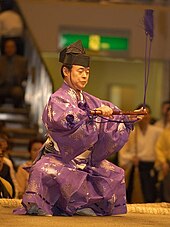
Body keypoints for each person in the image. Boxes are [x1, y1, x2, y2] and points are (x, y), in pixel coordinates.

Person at [14, 40, 144, 216]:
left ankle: (83, 205)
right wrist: (92, 114)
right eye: (80, 71)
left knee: (115, 173)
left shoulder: (90, 100)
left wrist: (130, 117)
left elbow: (115, 114)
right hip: (60, 158)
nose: (85, 76)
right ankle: (52, 204)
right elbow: (65, 119)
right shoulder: (57, 98)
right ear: (66, 72)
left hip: (86, 161)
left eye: (87, 72)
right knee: (42, 171)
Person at [119, 104, 162, 203]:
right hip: (135, 166)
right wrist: (131, 158)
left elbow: (160, 150)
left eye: (146, 114)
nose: (145, 117)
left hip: (150, 166)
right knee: (132, 193)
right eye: (142, 114)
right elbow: (123, 151)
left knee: (150, 194)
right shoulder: (131, 131)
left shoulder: (157, 131)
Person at [0, 39, 28, 107]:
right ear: (5, 49)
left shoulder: (22, 61)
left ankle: (18, 109)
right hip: (2, 85)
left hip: (16, 86)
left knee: (17, 92)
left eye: (11, 47)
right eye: (7, 47)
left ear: (15, 48)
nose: (9, 49)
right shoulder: (1, 61)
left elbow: (25, 75)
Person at [155, 107, 170, 202]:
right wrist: (163, 162)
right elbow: (158, 148)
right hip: (168, 164)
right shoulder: (166, 132)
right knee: (167, 192)